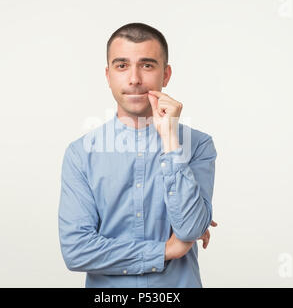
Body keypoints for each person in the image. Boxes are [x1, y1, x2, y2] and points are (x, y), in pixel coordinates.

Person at [58, 22, 218, 288]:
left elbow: (189, 229)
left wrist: (170, 139)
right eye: (122, 66)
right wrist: (166, 250)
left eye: (147, 65)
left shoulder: (198, 145)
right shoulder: (81, 154)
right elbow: (77, 251)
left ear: (165, 75)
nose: (134, 79)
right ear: (108, 75)